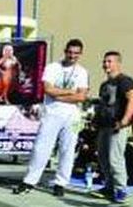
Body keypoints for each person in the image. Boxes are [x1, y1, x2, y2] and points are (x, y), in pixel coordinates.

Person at [13, 39, 89, 197]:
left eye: (76, 53)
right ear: (65, 51)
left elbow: (81, 96)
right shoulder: (53, 68)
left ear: (80, 54)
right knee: (41, 147)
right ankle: (30, 180)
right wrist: (70, 92)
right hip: (52, 113)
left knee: (68, 149)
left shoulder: (82, 72)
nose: (72, 56)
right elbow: (48, 89)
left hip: (73, 116)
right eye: (70, 52)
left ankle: (61, 183)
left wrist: (61, 94)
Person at [93, 51, 133, 204]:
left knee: (115, 158)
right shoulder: (104, 85)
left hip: (117, 125)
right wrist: (96, 120)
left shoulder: (125, 81)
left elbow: (132, 100)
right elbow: (102, 104)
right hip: (104, 125)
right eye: (105, 61)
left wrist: (125, 120)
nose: (106, 64)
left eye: (110, 61)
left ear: (118, 63)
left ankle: (121, 189)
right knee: (103, 157)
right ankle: (109, 186)